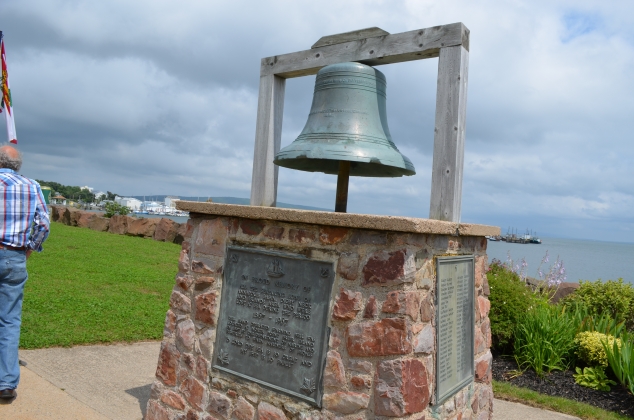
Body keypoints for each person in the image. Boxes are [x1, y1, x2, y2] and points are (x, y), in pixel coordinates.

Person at [0, 144, 49, 401]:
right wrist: (30, 249)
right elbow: (43, 223)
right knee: (9, 318)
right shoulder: (32, 186)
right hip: (13, 256)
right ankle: (6, 383)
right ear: (18, 165)